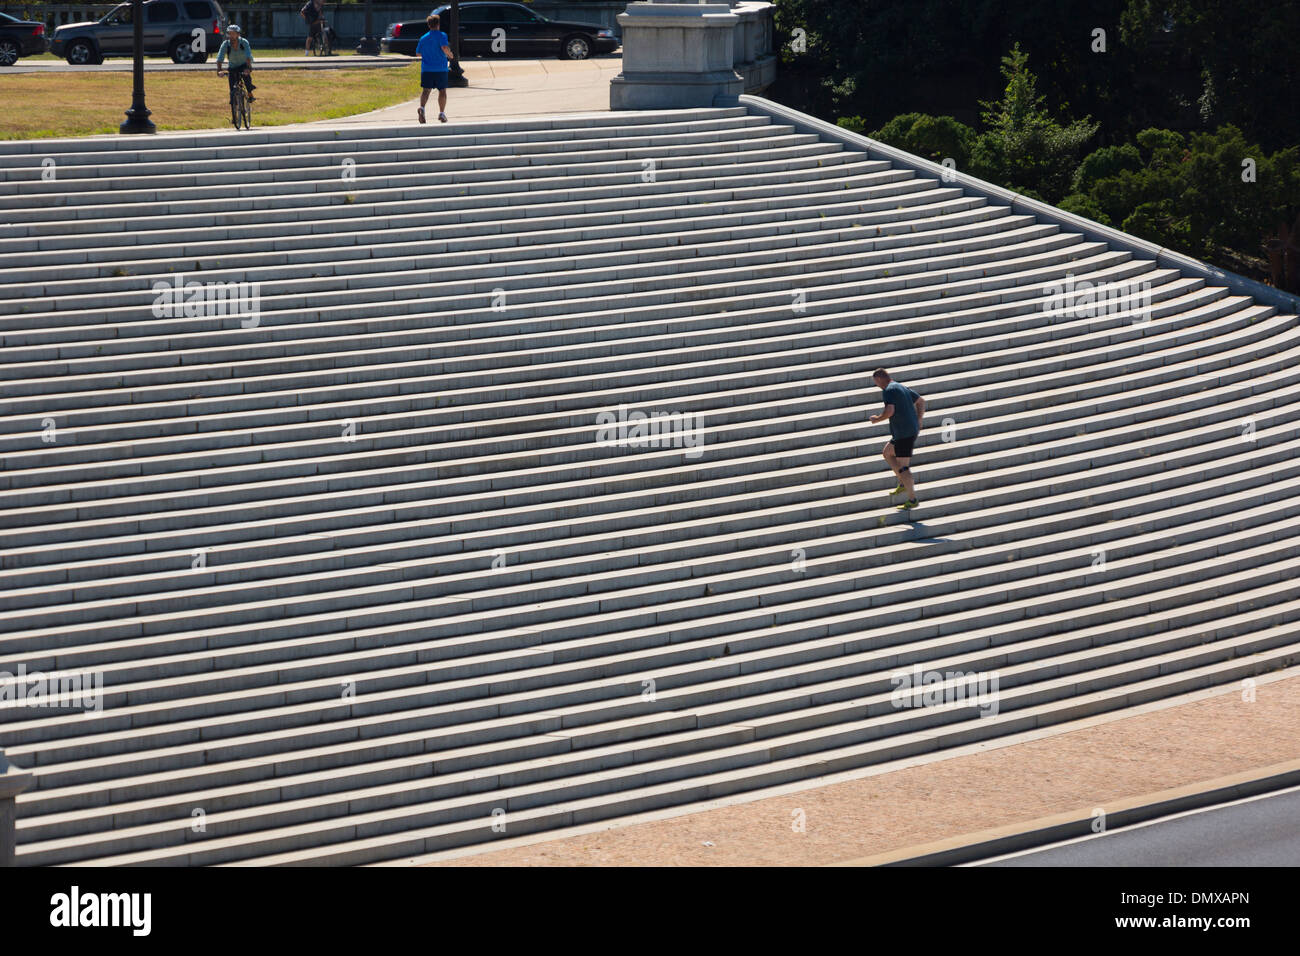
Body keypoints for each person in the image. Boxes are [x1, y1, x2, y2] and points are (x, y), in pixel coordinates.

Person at [868, 368, 926, 511]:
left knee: (904, 467)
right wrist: (918, 420)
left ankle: (912, 499)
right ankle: (902, 483)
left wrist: (877, 419)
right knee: (887, 452)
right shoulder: (900, 386)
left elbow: (890, 411)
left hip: (904, 434)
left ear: (880, 379)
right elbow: (921, 401)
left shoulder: (888, 390)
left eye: (876, 383)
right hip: (904, 432)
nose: (877, 385)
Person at [415, 13, 455, 124]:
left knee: (425, 91)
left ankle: (422, 108)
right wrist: (450, 55)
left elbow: (418, 53)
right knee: (442, 91)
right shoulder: (442, 35)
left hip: (427, 69)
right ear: (438, 24)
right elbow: (444, 47)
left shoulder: (423, 38)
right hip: (440, 69)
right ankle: (442, 113)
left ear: (428, 25)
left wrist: (428, 53)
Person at [216, 24, 255, 104]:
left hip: (244, 65)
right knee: (232, 86)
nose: (231, 36)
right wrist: (219, 70)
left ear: (238, 34)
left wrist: (248, 68)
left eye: (233, 33)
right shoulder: (226, 44)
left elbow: (248, 56)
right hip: (232, 67)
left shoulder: (244, 42)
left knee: (247, 81)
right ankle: (233, 102)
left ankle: (250, 94)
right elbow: (220, 57)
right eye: (229, 33)